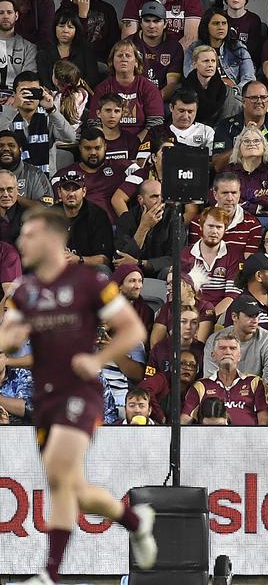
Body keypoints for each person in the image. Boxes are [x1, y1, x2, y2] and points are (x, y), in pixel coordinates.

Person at [0, 207, 157, 584]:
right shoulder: (26, 291)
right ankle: (136, 521)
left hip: (81, 393)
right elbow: (8, 337)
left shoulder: (89, 281)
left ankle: (49, 573)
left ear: (52, 238)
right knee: (72, 487)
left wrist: (99, 358)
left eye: (29, 234)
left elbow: (132, 330)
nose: (21, 242)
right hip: (47, 397)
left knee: (61, 469)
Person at [182, 331, 268, 425]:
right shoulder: (201, 386)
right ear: (213, 355)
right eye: (222, 348)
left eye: (233, 348)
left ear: (239, 356)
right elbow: (184, 420)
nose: (228, 352)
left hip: (247, 438)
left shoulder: (255, 382)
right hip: (211, 438)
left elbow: (263, 421)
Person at [186, 7, 256, 88]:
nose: (221, 27)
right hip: (206, 93)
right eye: (216, 23)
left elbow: (249, 78)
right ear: (206, 26)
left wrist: (235, 91)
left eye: (224, 23)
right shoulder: (194, 49)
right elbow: (190, 76)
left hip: (235, 95)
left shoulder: (238, 48)